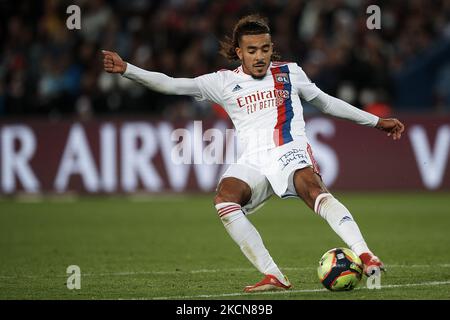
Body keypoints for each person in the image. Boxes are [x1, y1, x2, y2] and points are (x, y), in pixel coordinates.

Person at [102, 14, 405, 292]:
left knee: (313, 189)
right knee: (224, 198)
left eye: (265, 49)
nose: (260, 56)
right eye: (252, 50)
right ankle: (274, 274)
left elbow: (326, 103)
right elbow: (170, 84)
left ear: (272, 49)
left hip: (290, 149)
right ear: (239, 52)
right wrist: (127, 69)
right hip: (254, 159)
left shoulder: (290, 73)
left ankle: (366, 255)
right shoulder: (223, 82)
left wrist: (376, 122)